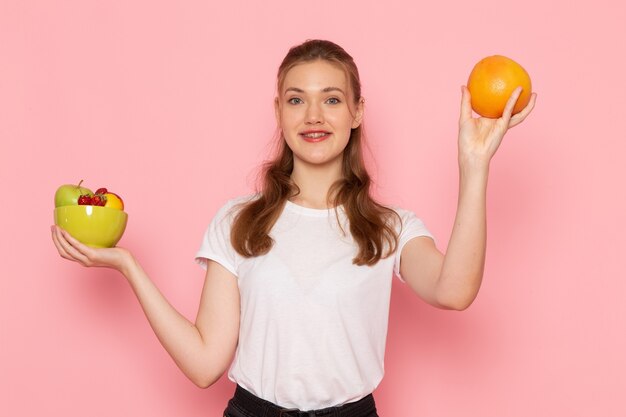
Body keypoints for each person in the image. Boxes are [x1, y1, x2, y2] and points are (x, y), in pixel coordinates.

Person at [51, 39, 536, 417]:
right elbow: (204, 366)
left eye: (331, 99)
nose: (313, 116)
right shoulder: (238, 220)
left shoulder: (389, 227)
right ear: (278, 112)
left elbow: (454, 291)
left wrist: (474, 167)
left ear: (356, 112)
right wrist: (128, 265)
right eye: (296, 99)